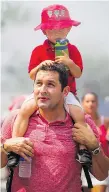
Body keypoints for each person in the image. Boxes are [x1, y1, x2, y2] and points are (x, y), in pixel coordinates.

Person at [1, 63, 109, 192]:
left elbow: (102, 175)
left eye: (50, 84)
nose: (42, 90)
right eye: (39, 83)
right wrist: (5, 147)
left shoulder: (81, 123)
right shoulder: (15, 119)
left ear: (65, 91)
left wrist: (94, 146)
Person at [11, 4, 88, 162]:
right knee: (24, 109)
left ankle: (83, 149)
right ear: (44, 31)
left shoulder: (73, 50)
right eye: (52, 29)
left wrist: (69, 62)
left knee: (79, 114)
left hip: (67, 93)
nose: (57, 32)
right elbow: (32, 75)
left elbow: (78, 73)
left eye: (61, 28)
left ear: (68, 30)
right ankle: (15, 145)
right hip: (42, 93)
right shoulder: (38, 50)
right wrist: (41, 65)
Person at [81, 92, 109, 192]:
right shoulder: (78, 122)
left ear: (97, 103)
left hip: (101, 166)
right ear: (82, 103)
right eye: (87, 101)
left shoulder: (105, 122)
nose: (90, 104)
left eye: (93, 101)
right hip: (83, 169)